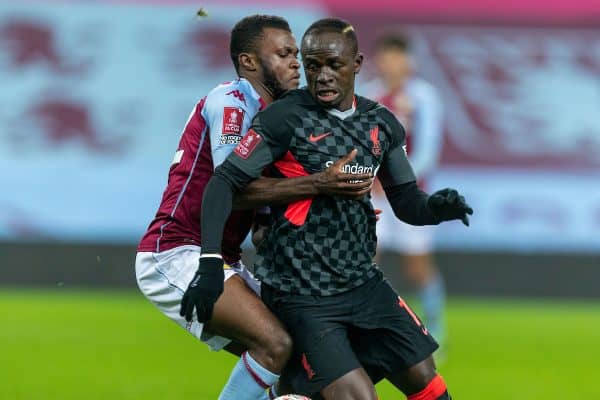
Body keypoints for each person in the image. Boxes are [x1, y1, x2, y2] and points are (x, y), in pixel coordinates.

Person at [183, 18, 472, 400]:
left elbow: (407, 202)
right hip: (302, 293)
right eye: (313, 65)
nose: (322, 76)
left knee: (426, 378)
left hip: (363, 285)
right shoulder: (284, 118)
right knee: (359, 397)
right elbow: (223, 183)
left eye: (334, 65)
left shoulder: (381, 123)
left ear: (357, 63)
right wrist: (209, 261)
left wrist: (437, 208)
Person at [135, 15, 373, 400]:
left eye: (295, 54)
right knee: (275, 343)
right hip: (177, 252)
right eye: (282, 54)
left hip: (225, 257)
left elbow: (267, 219)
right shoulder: (231, 100)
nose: (296, 62)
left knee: (303, 356)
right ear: (249, 62)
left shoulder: (278, 119)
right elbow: (234, 186)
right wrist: (322, 185)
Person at [367, 32, 447, 346]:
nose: (393, 63)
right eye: (387, 56)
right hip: (375, 196)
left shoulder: (423, 97)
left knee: (417, 266)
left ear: (409, 60)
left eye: (398, 56)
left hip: (411, 195)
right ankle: (366, 326)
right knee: (366, 259)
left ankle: (436, 326)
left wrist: (397, 180)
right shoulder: (370, 96)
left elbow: (428, 149)